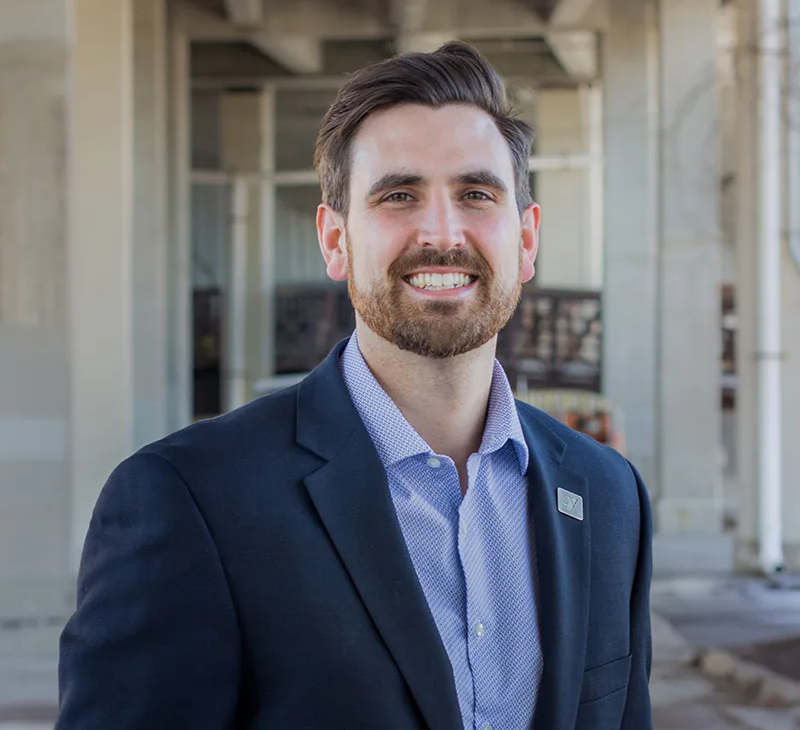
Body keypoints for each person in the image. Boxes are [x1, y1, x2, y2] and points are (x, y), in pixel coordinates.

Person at [56, 42, 652, 730]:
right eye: (399, 195)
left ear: (526, 238)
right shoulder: (189, 502)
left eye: (476, 194)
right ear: (335, 239)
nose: (442, 232)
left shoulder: (610, 499)